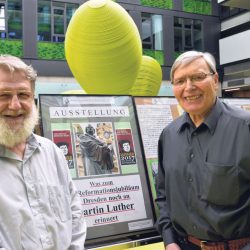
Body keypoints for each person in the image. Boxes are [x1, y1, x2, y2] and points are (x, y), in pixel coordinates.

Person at [156, 51, 250, 250]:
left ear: (215, 80)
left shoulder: (245, 128)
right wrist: (169, 240)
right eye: (180, 81)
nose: (189, 87)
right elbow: (164, 195)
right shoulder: (169, 136)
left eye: (198, 77)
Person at [0, 55, 86, 249]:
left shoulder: (51, 152)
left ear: (32, 98)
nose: (15, 105)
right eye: (3, 95)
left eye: (23, 95)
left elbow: (75, 212)